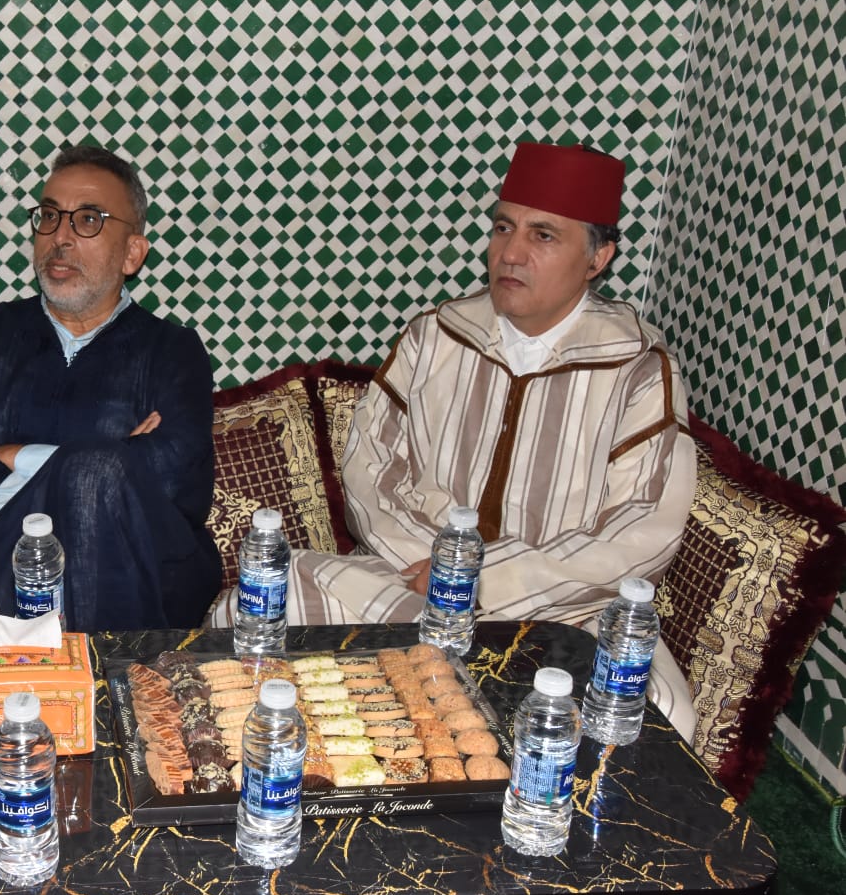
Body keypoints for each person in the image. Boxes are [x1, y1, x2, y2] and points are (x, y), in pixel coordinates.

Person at [213, 142, 700, 740]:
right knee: (256, 606)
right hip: (409, 578)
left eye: (544, 236)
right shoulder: (437, 335)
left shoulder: (638, 368)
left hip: (566, 607)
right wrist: (442, 572)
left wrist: (484, 579)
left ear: (598, 258)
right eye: (503, 227)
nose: (511, 252)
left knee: (659, 713)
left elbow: (642, 530)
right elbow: (369, 470)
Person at [0, 145, 221, 642]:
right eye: (50, 216)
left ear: (132, 254)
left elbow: (174, 488)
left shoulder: (173, 351)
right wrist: (104, 469)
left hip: (128, 589)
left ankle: (94, 679)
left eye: (89, 220)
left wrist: (15, 458)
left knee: (96, 479)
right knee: (98, 477)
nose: (60, 237)